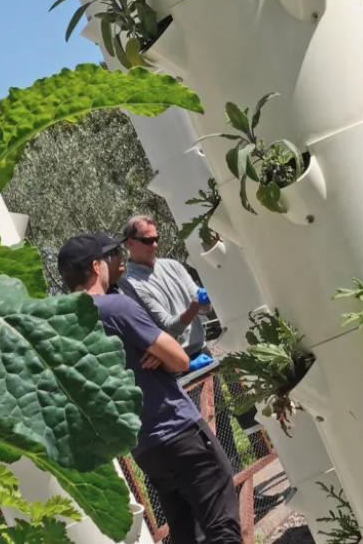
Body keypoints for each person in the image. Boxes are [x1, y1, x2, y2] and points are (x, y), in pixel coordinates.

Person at [58, 232, 242, 544]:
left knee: (188, 536)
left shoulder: (66, 326)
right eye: (109, 256)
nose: (116, 259)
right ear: (95, 266)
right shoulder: (115, 308)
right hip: (179, 430)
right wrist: (162, 356)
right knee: (222, 527)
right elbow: (180, 359)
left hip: (145, 447)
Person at [118, 214, 213, 365]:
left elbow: (204, 309)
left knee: (235, 389)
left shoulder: (172, 266)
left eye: (156, 239)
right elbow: (169, 328)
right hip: (177, 364)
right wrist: (195, 305)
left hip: (203, 350)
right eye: (147, 240)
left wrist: (206, 302)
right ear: (130, 242)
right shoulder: (133, 286)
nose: (154, 245)